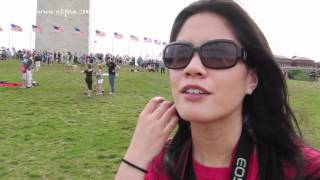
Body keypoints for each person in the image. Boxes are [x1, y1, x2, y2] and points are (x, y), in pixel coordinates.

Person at [115, 0, 320, 180]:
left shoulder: (303, 169)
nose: (192, 68)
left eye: (218, 54)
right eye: (179, 54)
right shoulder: (158, 162)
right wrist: (135, 157)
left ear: (251, 80)